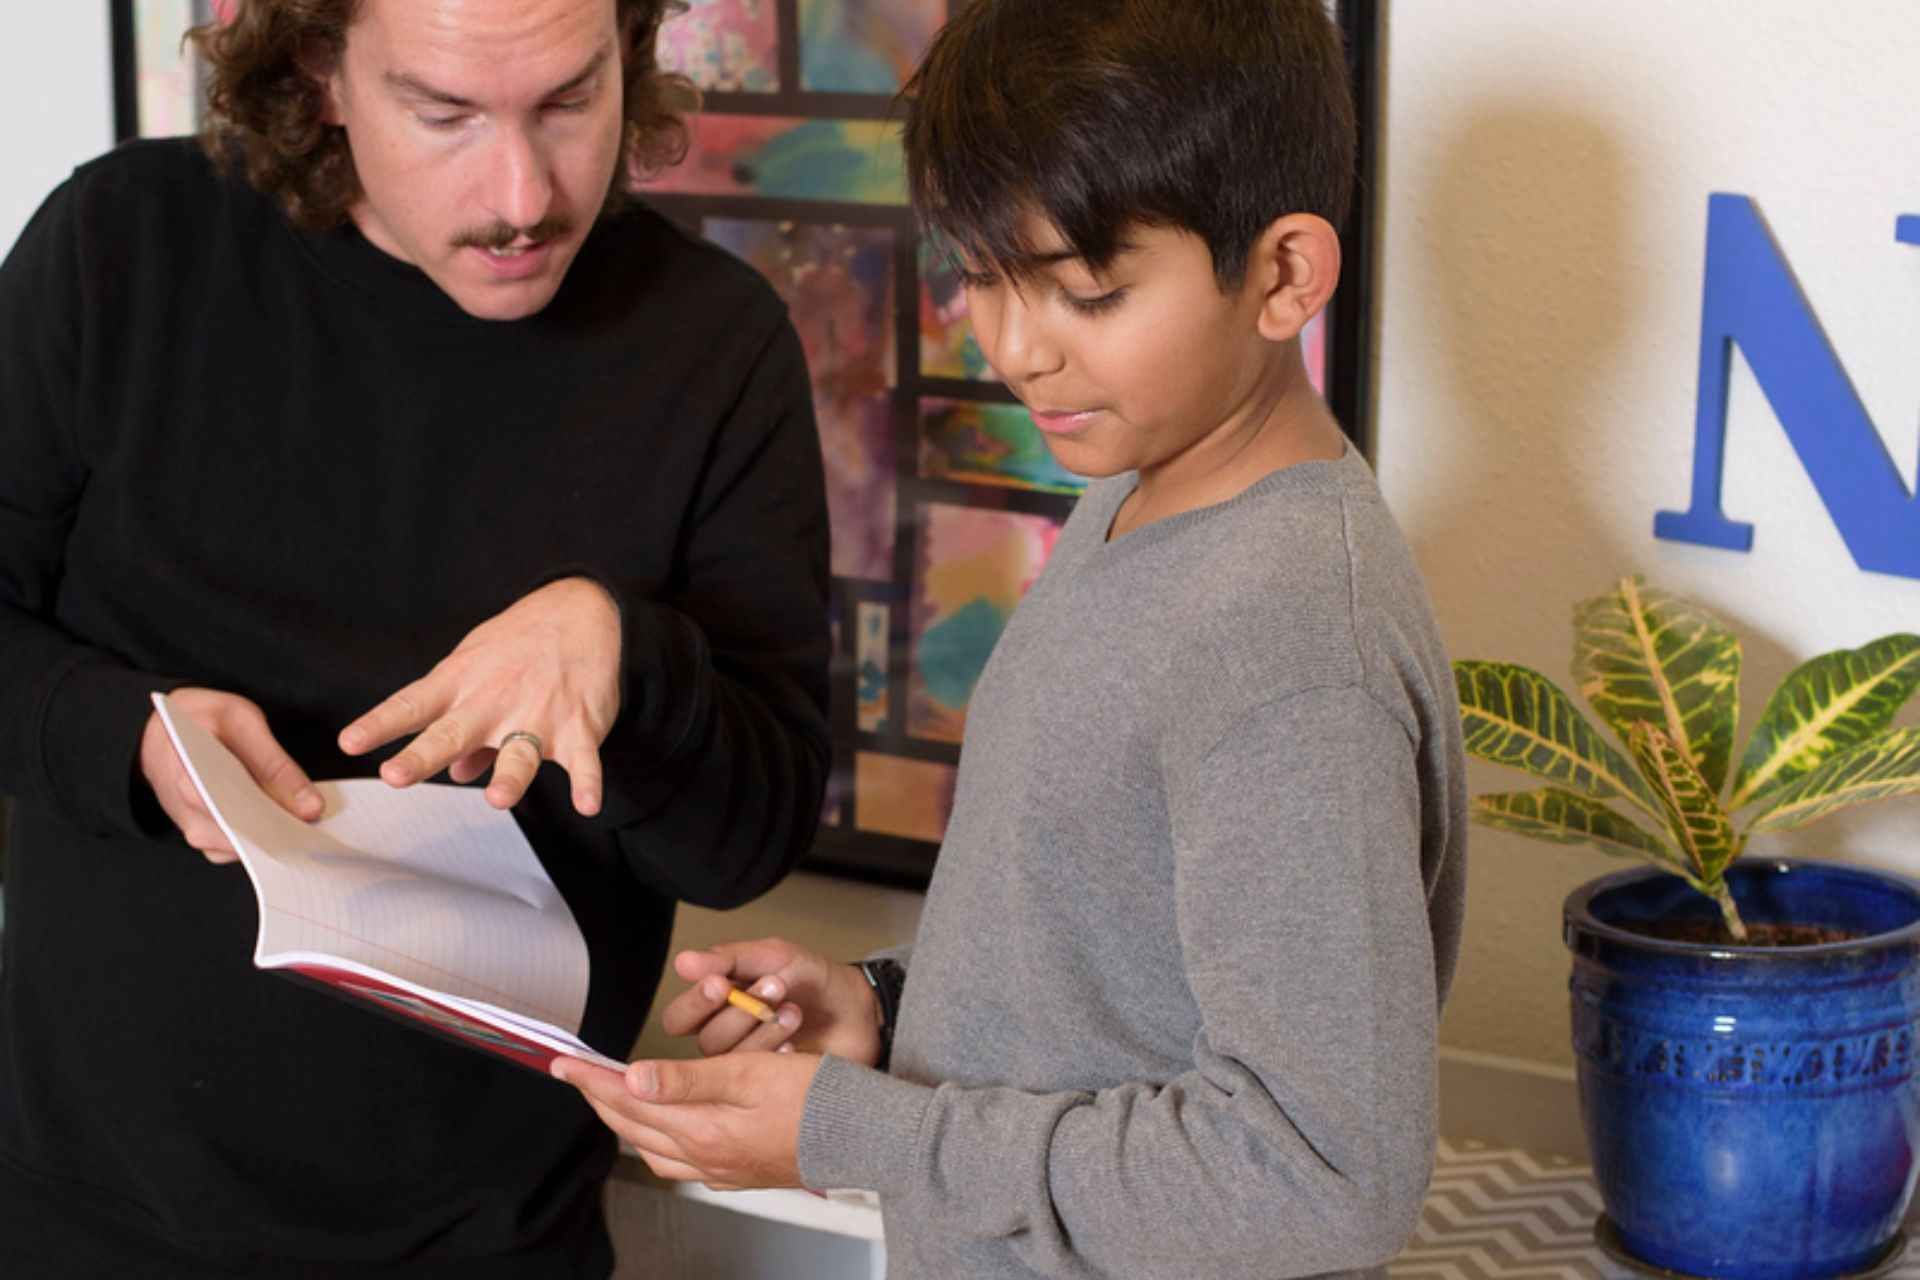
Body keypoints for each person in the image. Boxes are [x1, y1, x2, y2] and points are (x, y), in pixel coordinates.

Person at [554, 0, 1469, 1276]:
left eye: (1088, 293)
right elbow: (1111, 963)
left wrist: (856, 1130)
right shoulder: (1140, 489)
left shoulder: (1286, 642)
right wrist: (890, 1007)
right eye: (982, 275)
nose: (1017, 349)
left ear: (1284, 276)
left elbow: (1323, 1173)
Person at [0, 0, 831, 1274]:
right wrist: (124, 736)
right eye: (445, 114)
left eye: (569, 100)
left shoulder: (714, 341)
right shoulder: (124, 244)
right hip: (81, 1220)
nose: (524, 197)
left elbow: (748, 840)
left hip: (490, 1238)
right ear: (322, 69)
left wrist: (628, 658)